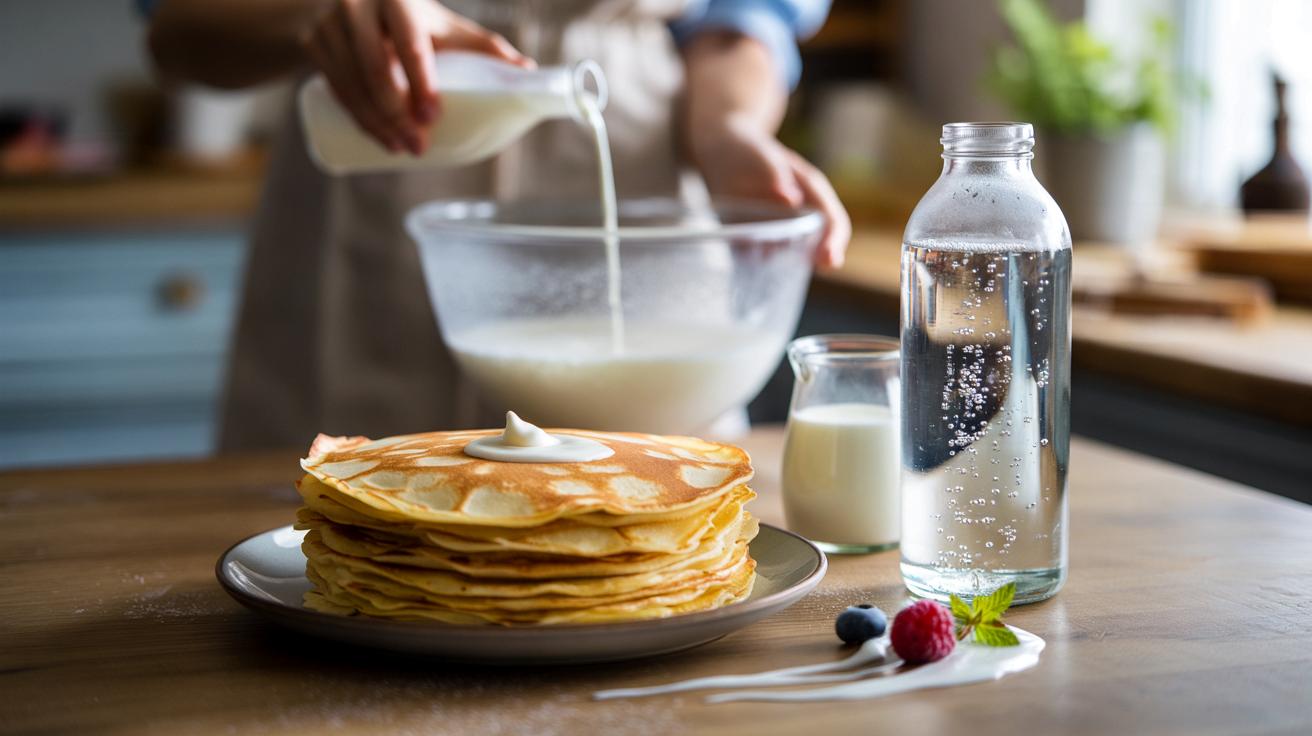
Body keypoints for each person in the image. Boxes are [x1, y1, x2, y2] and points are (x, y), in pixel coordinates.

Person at [147, 0, 851, 450]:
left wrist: (728, 130)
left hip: (633, 149)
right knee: (339, 536)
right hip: (378, 149)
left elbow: (743, 18)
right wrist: (319, 15)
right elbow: (179, 30)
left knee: (651, 518)